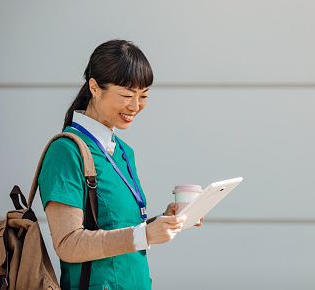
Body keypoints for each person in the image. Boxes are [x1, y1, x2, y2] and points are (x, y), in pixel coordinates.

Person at [38, 39, 199, 290]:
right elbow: (68, 244)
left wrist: (164, 221)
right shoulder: (66, 151)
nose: (135, 106)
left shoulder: (124, 152)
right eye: (126, 95)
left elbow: (118, 230)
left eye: (143, 96)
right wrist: (143, 235)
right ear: (94, 87)